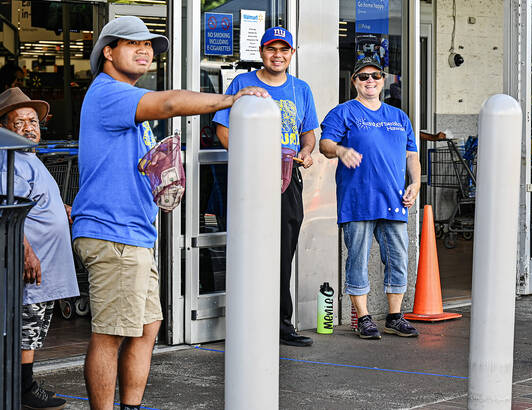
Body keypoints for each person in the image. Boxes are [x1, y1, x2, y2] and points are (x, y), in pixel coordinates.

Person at [71, 16, 267, 410]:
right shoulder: (109, 93)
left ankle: (131, 406)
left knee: (147, 327)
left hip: (135, 233)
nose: (145, 50)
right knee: (111, 333)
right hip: (114, 233)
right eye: (132, 43)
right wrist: (231, 99)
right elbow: (171, 103)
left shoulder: (125, 98)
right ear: (107, 52)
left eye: (149, 45)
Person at [213, 26, 317, 348]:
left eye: (283, 50)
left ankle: (281, 324)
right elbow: (222, 128)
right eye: (271, 49)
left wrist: (306, 151)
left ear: (291, 54)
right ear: (261, 53)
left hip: (287, 180)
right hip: (251, 180)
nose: (278, 55)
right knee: (249, 249)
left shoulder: (301, 89)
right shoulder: (243, 84)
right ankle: (247, 321)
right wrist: (249, 163)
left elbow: (309, 132)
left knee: (283, 253)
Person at [319, 57, 421, 340]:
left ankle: (394, 317)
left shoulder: (399, 117)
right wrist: (340, 151)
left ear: (383, 80)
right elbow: (325, 144)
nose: (370, 81)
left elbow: (412, 155)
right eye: (363, 77)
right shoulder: (343, 112)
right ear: (354, 81)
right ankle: (363, 318)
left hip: (394, 200)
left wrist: (415, 183)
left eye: (375, 75)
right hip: (358, 200)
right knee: (358, 260)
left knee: (398, 260)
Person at [0, 87, 79, 410]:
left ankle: (23, 383)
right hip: (32, 263)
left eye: (33, 121)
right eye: (20, 122)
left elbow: (33, 199)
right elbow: (6, 208)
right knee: (27, 326)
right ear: (4, 127)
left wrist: (60, 207)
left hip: (44, 262)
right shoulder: (9, 159)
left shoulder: (27, 157)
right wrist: (26, 252)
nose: (30, 127)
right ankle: (23, 388)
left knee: (35, 324)